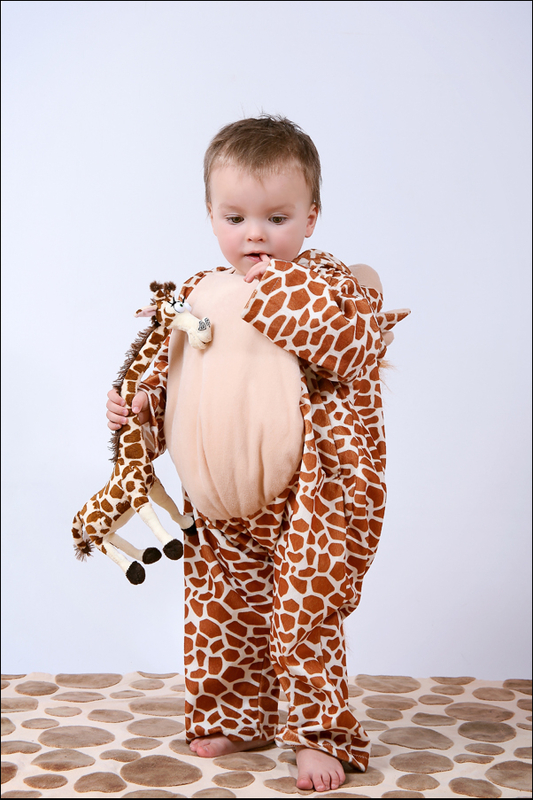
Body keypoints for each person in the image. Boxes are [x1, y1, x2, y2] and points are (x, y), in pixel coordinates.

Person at [106, 115, 409, 793]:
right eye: (235, 217)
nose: (255, 235)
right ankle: (241, 717)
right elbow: (174, 380)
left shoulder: (331, 286)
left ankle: (317, 734)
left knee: (303, 612)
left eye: (276, 218)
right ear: (210, 214)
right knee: (223, 610)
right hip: (221, 492)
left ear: (311, 217)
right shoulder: (198, 294)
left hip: (311, 491)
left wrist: (271, 289)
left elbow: (348, 349)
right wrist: (138, 409)